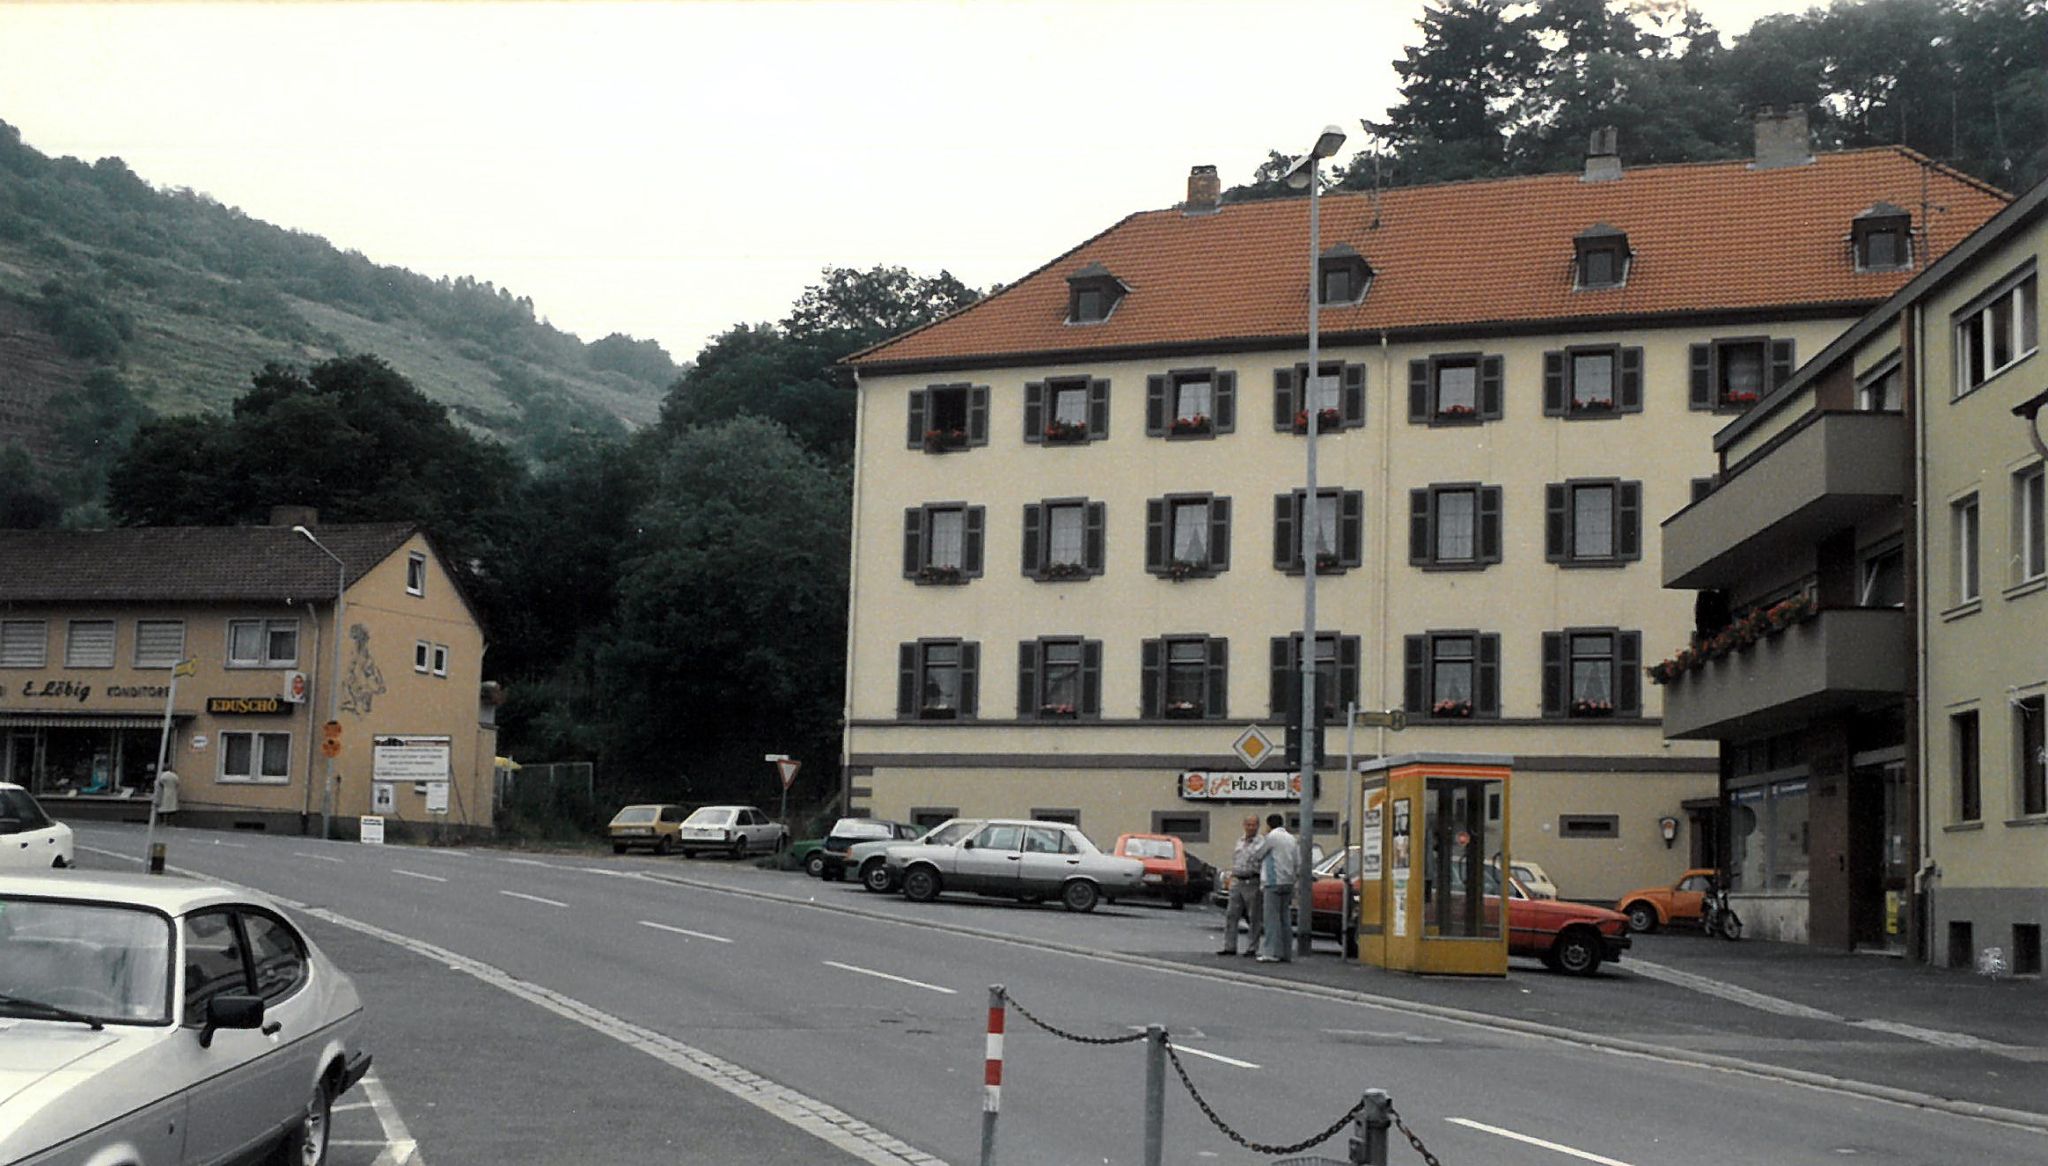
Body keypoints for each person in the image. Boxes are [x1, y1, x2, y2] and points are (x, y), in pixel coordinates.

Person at [1252, 812, 1299, 963]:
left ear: (1268, 824)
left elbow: (1258, 854)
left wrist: (1265, 836)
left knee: (1271, 918)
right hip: (1288, 881)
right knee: (1285, 918)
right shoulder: (1291, 839)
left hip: (1273, 881)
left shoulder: (1271, 837)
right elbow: (1297, 861)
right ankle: (1286, 952)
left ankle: (1270, 952)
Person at [1217, 815, 1264, 956]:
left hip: (1252, 881)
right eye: (1248, 824)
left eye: (1253, 825)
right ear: (1244, 825)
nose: (1250, 827)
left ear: (1257, 826)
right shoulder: (1240, 841)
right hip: (1237, 880)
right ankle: (1229, 946)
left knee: (1254, 917)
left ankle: (1252, 948)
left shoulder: (1261, 843)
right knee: (1231, 915)